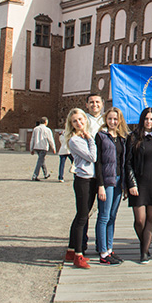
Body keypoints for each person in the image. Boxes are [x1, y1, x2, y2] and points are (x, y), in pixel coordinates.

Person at [125, 107, 152, 264]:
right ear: (142, 120)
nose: (148, 122)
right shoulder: (134, 137)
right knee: (139, 220)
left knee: (150, 218)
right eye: (146, 119)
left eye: (151, 119)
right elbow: (128, 163)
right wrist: (131, 183)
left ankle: (144, 252)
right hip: (139, 184)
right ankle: (145, 245)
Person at [63, 109, 97, 269]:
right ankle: (78, 254)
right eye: (75, 121)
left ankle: (71, 250)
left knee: (81, 215)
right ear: (71, 124)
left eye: (81, 120)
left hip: (89, 179)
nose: (79, 123)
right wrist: (90, 138)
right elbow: (92, 157)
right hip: (83, 180)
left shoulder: (82, 137)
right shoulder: (75, 140)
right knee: (82, 217)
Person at [93, 107, 128, 265]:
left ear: (119, 120)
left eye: (115, 119)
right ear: (105, 120)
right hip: (106, 181)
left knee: (112, 217)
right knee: (104, 216)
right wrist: (100, 185)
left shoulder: (121, 138)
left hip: (118, 180)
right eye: (110, 119)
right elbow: (98, 162)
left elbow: (123, 161)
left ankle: (109, 248)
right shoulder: (100, 136)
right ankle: (102, 252)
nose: (113, 122)